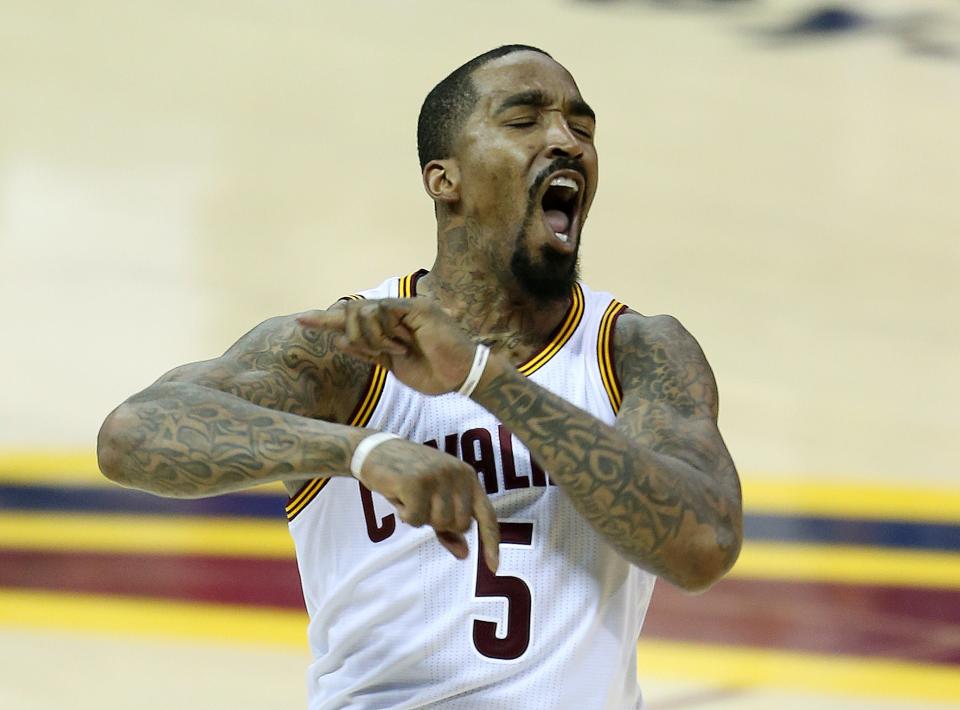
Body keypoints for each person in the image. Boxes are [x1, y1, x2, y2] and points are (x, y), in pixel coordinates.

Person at [97, 44, 742, 710]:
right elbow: (131, 436)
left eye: (582, 127)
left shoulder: (633, 349)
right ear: (445, 179)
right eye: (523, 121)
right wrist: (363, 452)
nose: (565, 141)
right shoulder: (352, 350)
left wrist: (487, 381)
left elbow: (703, 546)